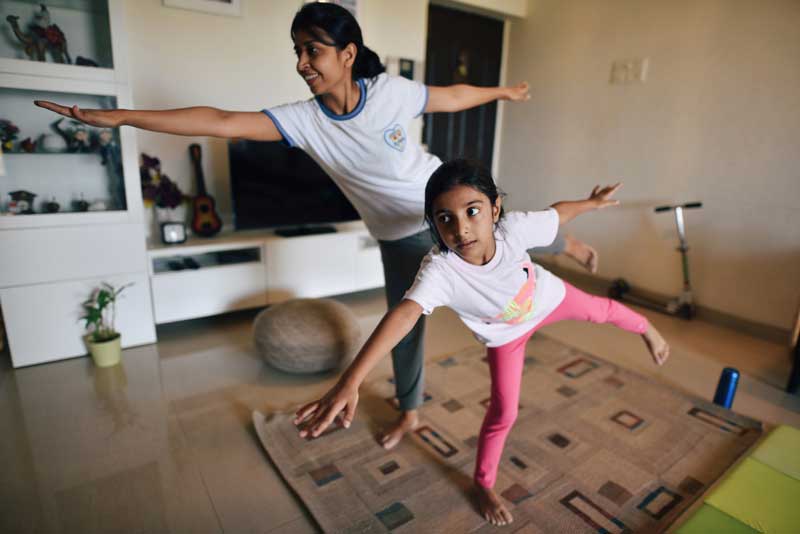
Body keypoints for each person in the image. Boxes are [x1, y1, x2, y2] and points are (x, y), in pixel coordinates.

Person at [34, 1, 601, 450]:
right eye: (297, 52)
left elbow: (451, 96)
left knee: (519, 240)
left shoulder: (391, 94)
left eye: (314, 50)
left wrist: (502, 91)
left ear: (348, 53)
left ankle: (568, 240)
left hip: (444, 207)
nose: (303, 62)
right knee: (405, 325)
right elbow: (223, 121)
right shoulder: (302, 121)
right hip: (399, 234)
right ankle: (411, 412)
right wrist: (123, 116)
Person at [293, 159, 670, 526]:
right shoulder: (440, 270)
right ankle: (483, 484)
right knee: (505, 412)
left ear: (495, 209)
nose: (461, 229)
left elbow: (558, 214)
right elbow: (404, 314)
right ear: (434, 225)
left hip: (546, 298)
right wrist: (351, 380)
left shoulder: (515, 229)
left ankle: (647, 328)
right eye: (445, 219)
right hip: (505, 336)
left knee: (603, 310)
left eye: (472, 211)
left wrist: (591, 203)